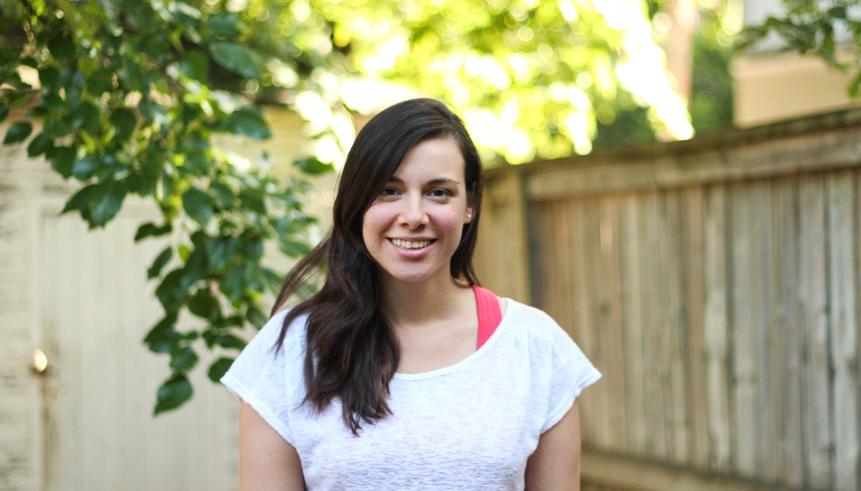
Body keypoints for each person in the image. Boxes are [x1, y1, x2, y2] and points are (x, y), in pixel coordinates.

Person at [221, 98, 601, 490]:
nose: (414, 215)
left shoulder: (535, 347)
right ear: (357, 201)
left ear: (470, 205)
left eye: (438, 192)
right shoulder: (290, 353)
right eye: (389, 190)